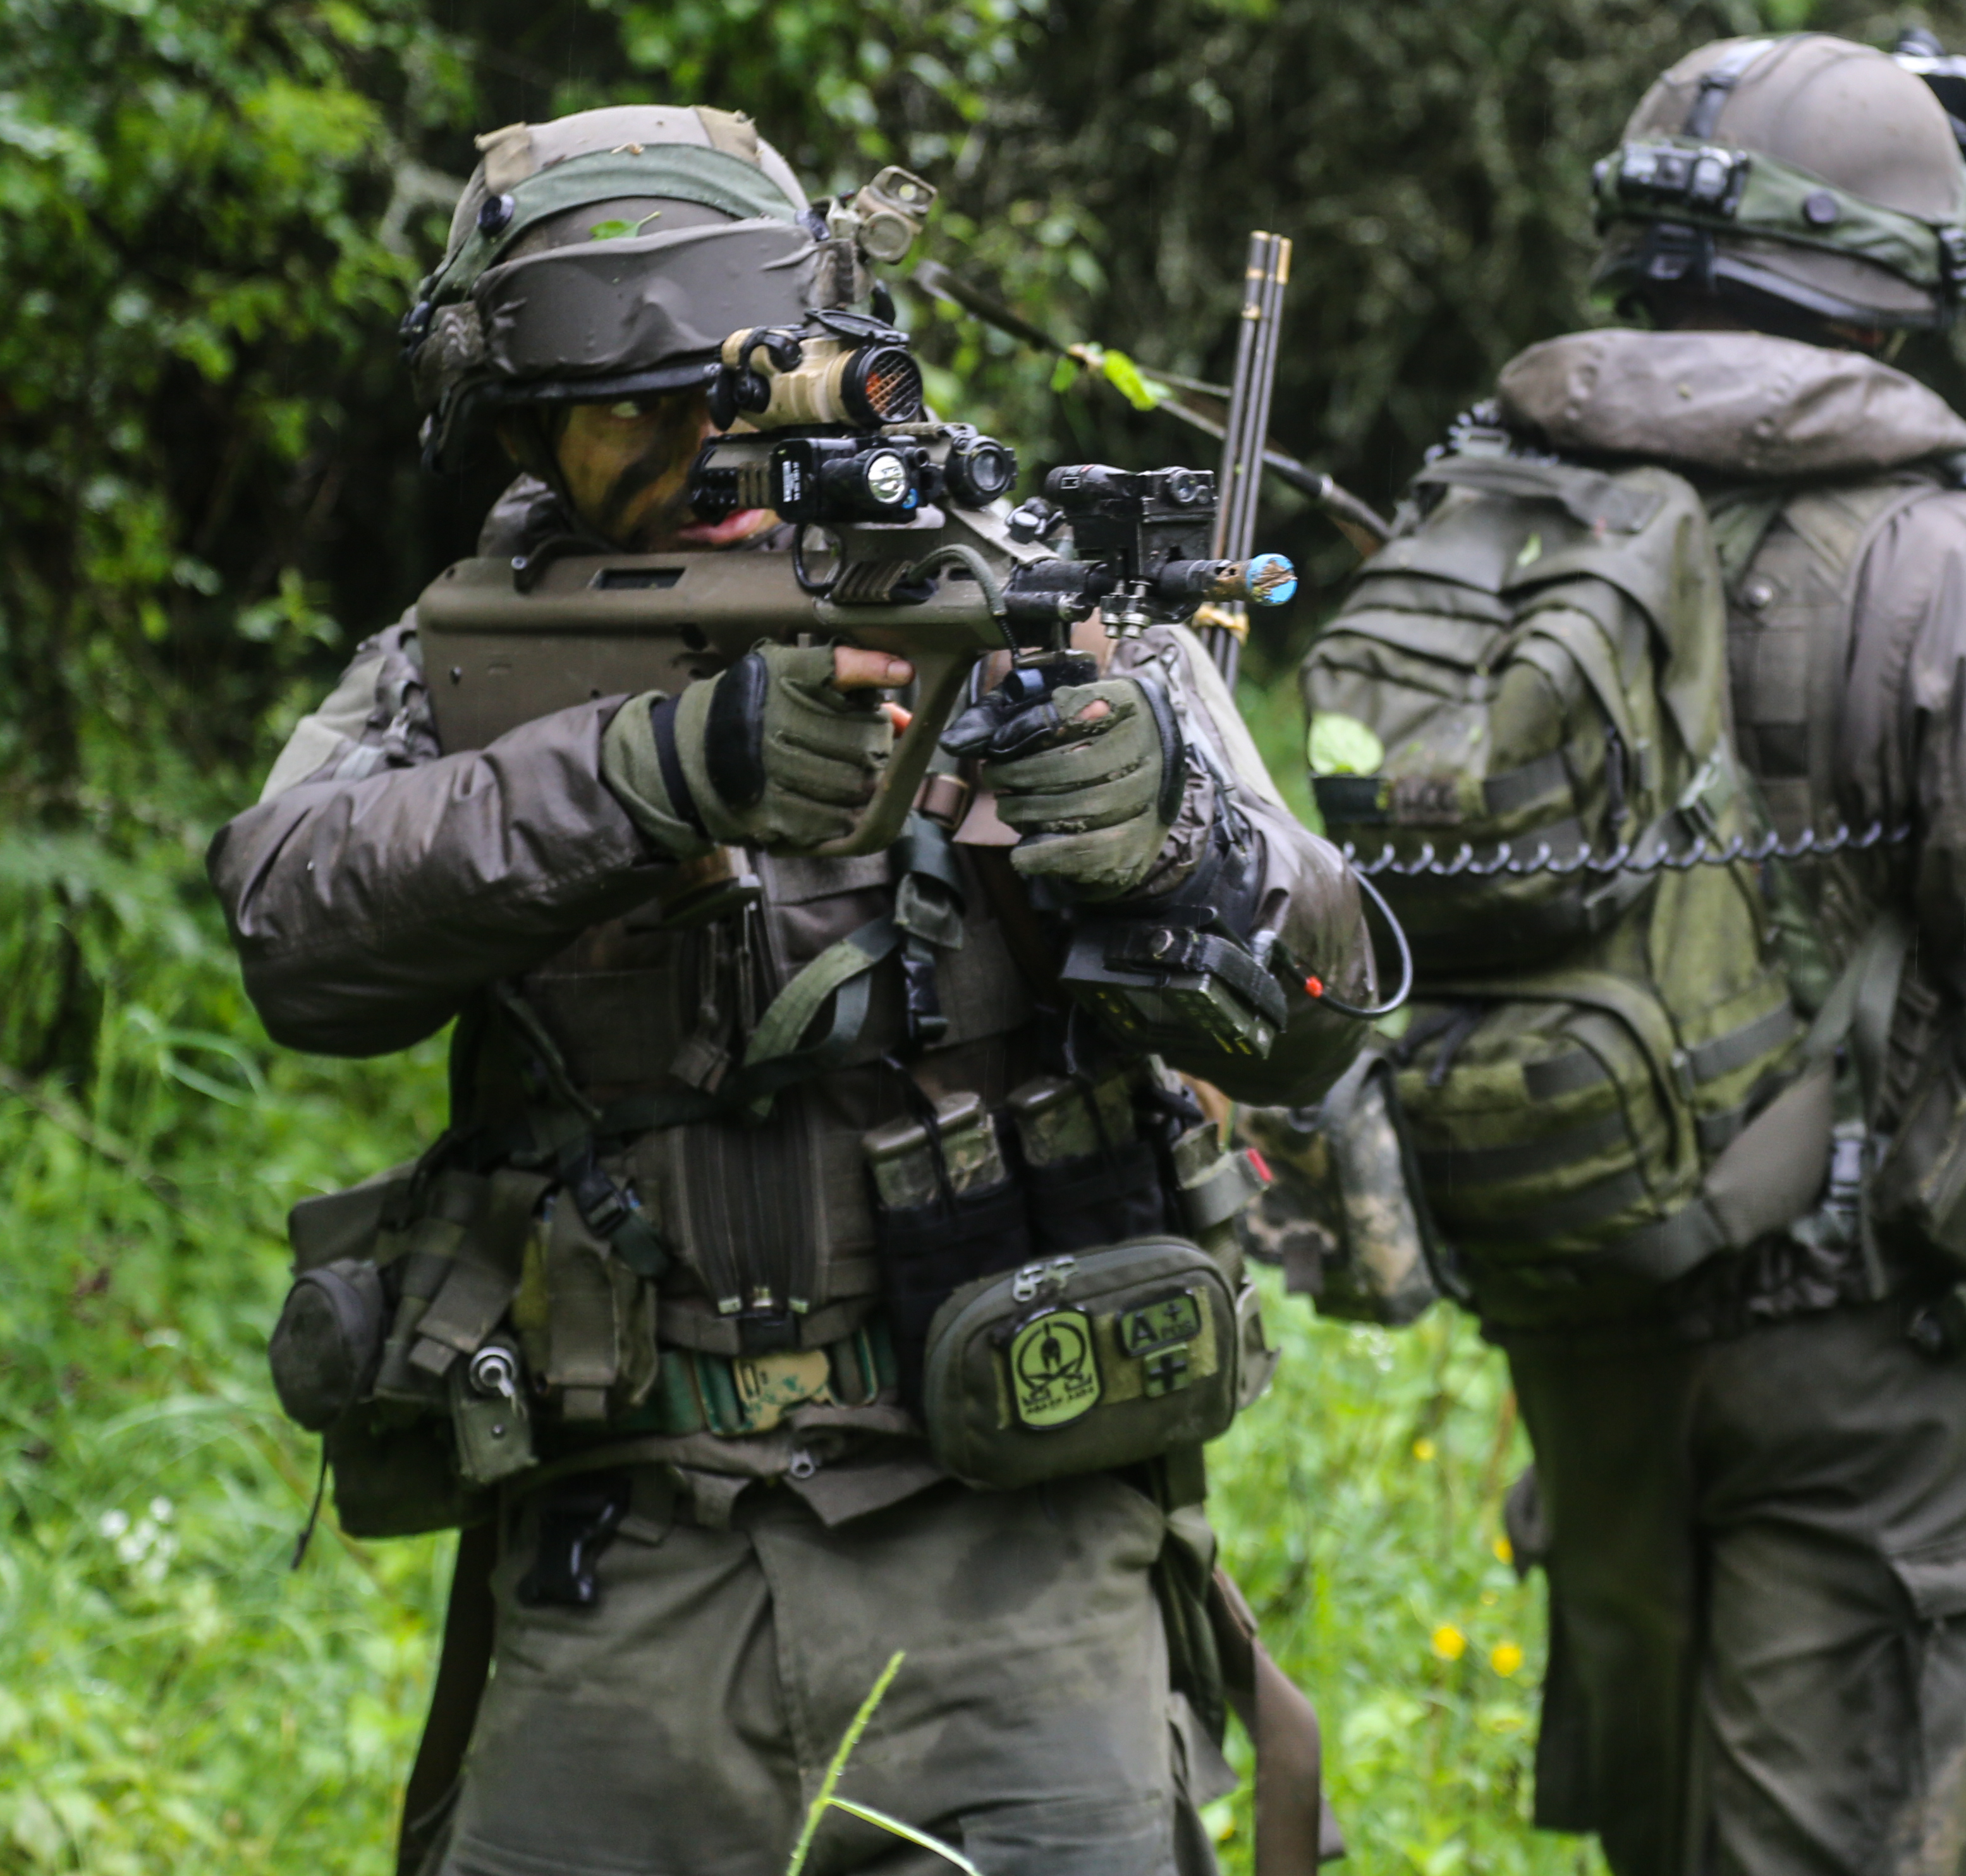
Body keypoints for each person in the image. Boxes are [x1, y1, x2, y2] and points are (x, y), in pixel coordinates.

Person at [211, 104, 1372, 1876]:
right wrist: (640, 775)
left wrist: (1168, 848)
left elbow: (1321, 1004)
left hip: (1019, 1564)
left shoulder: (1023, 604)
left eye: (737, 391)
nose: (706, 453)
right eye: (635, 412)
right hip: (627, 1569)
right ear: (524, 425)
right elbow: (296, 927)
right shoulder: (484, 653)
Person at [1290, 33, 1966, 1873]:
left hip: (1576, 1282)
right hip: (1852, 1331)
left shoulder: (1484, 521)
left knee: (1662, 1821)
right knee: (1839, 1828)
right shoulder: (1925, 555)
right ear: (1901, 273)